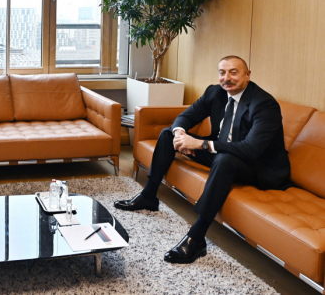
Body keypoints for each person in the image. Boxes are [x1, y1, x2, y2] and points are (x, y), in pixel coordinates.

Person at [114, 55, 291, 264]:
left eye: (234, 72)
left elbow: (251, 149)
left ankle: (196, 238)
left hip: (258, 167)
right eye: (222, 73)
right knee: (168, 134)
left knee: (224, 161)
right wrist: (181, 136)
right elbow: (186, 117)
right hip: (223, 152)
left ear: (247, 75)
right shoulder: (214, 92)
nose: (227, 78)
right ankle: (149, 196)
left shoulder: (264, 104)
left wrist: (201, 144)